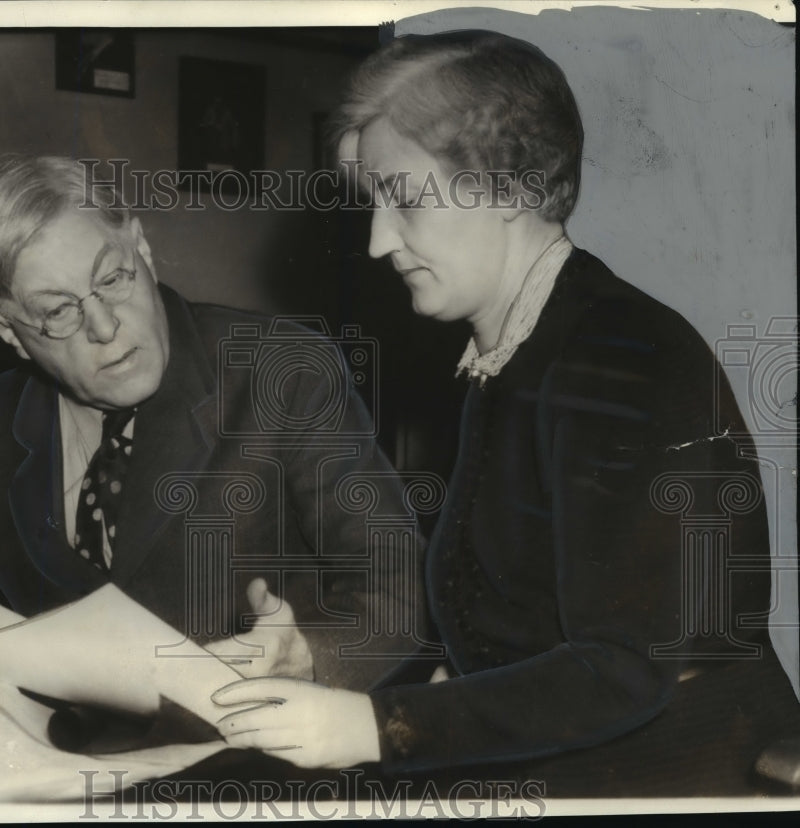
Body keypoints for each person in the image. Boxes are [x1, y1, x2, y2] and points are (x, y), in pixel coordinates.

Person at [211, 31, 795, 796]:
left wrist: (370, 727)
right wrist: (322, 665)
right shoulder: (524, 350)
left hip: (679, 770)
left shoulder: (623, 355)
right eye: (374, 205)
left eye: (406, 199)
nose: (380, 241)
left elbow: (622, 670)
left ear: (512, 186)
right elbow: (511, 634)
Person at [0, 155, 427, 694]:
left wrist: (310, 659)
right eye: (59, 312)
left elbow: (399, 592)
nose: (106, 326)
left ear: (144, 249)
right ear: (9, 334)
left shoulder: (283, 372)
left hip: (250, 751)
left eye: (112, 277)